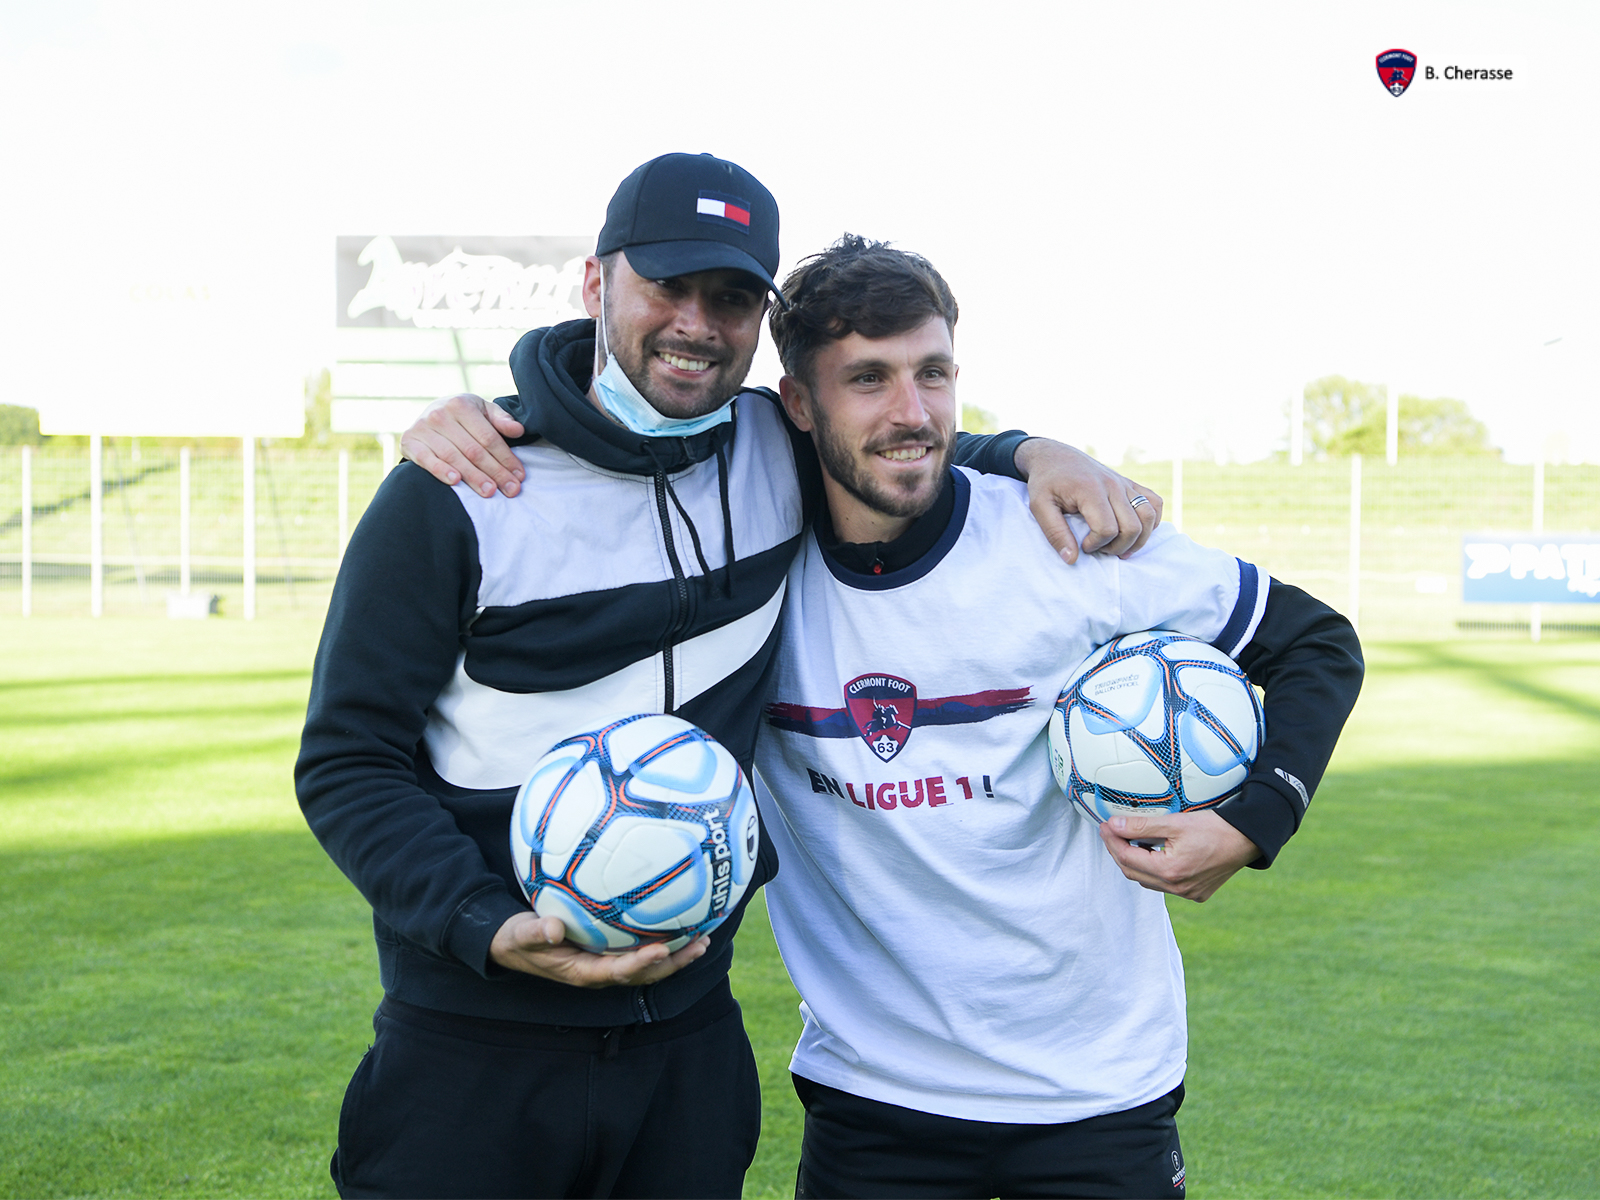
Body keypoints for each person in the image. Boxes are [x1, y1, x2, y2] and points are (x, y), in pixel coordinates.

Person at [297, 153, 1162, 1200]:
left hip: (688, 1055)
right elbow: (347, 760)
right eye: (668, 286)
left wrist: (1033, 450)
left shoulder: (769, 447)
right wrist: (481, 925)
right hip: (472, 1050)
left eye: (731, 297)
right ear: (594, 283)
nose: (697, 323)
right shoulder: (459, 491)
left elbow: (892, 436)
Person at [745, 236, 1364, 1198]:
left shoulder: (1062, 542)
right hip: (872, 1102)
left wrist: (1252, 822)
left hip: (1099, 1091)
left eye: (934, 373)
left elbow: (1316, 642)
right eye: (867, 379)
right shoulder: (749, 567)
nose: (912, 412)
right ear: (799, 402)